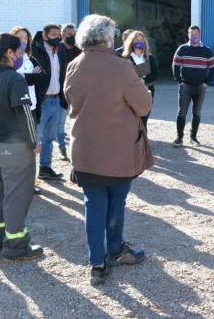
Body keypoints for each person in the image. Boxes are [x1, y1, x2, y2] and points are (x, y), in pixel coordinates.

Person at [64, 14, 153, 286]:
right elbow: (144, 106)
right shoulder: (121, 67)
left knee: (93, 207)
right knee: (116, 203)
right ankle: (115, 250)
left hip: (85, 151)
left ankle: (97, 263)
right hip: (117, 152)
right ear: (106, 38)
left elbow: (69, 99)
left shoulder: (74, 65)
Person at [0, 33, 44, 260]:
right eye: (20, 53)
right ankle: (16, 245)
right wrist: (33, 143)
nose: (21, 57)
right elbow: (24, 115)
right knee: (16, 195)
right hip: (11, 148)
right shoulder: (14, 79)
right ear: (9, 53)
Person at [11, 26, 48, 196]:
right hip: (16, 110)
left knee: (31, 148)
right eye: (20, 38)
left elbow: (42, 77)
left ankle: (29, 184)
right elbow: (13, 80)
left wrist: (26, 77)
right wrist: (29, 77)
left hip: (32, 108)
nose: (23, 41)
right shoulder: (10, 60)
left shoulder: (30, 59)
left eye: (26, 38)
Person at [31, 24, 67, 180]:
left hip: (55, 100)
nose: (57, 37)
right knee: (35, 139)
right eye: (53, 34)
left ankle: (45, 167)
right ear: (45, 36)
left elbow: (62, 74)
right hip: (42, 101)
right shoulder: (36, 50)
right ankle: (28, 174)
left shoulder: (59, 50)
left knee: (49, 138)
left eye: (59, 34)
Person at [171, 25, 214, 147]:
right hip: (185, 86)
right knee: (182, 112)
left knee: (197, 113)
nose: (194, 36)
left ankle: (193, 138)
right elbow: (175, 65)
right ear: (188, 35)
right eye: (191, 34)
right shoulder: (182, 49)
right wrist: (179, 81)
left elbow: (213, 68)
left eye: (196, 34)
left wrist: (207, 83)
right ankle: (179, 138)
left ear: (199, 35)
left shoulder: (207, 50)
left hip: (200, 87)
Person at [55, 22, 82, 161]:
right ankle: (62, 148)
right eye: (70, 34)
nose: (73, 37)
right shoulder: (57, 50)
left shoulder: (79, 51)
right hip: (61, 93)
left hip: (77, 92)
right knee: (60, 122)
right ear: (63, 35)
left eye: (74, 34)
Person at [121, 30, 158, 129]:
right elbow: (123, 75)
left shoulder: (149, 58)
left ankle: (143, 143)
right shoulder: (125, 58)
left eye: (142, 40)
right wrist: (136, 82)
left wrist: (144, 81)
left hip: (146, 91)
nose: (140, 42)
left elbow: (155, 74)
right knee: (132, 119)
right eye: (137, 40)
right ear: (131, 42)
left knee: (143, 119)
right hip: (131, 92)